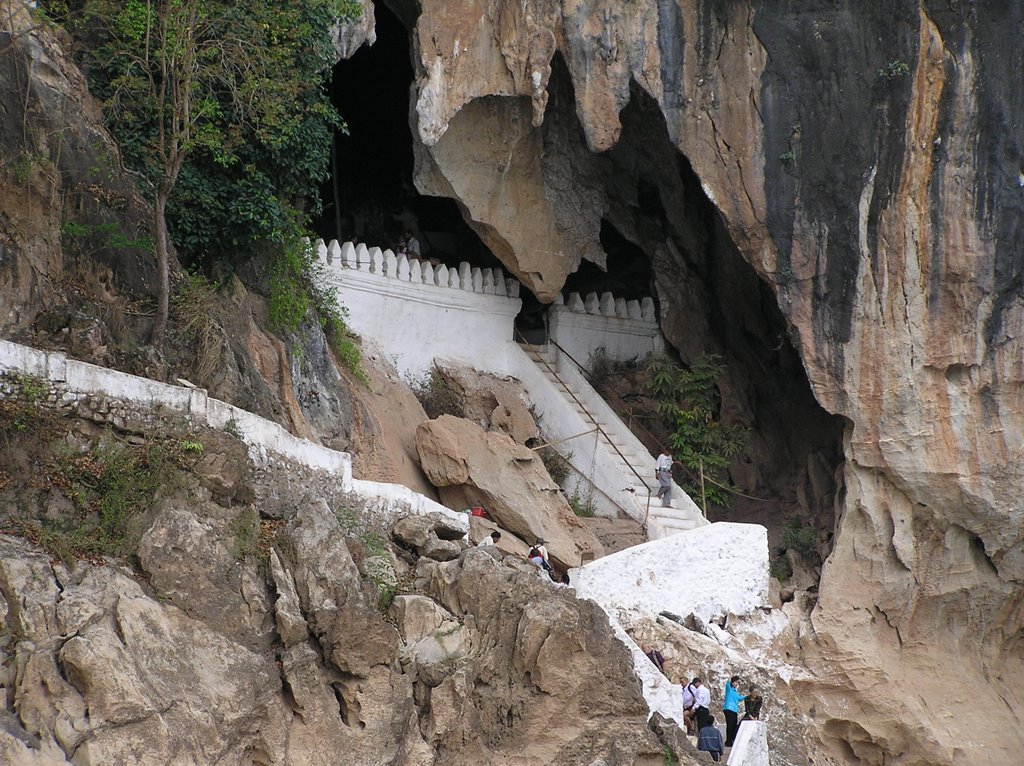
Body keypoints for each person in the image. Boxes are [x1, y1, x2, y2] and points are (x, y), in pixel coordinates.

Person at [723, 675, 747, 748]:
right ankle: (728, 741)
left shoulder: (735, 691)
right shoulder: (729, 688)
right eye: (736, 682)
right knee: (730, 725)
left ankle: (731, 740)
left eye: (738, 683)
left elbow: (739, 698)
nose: (737, 684)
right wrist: (730, 675)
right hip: (728, 708)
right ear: (732, 682)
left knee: (734, 725)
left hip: (734, 710)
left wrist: (747, 696)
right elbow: (727, 682)